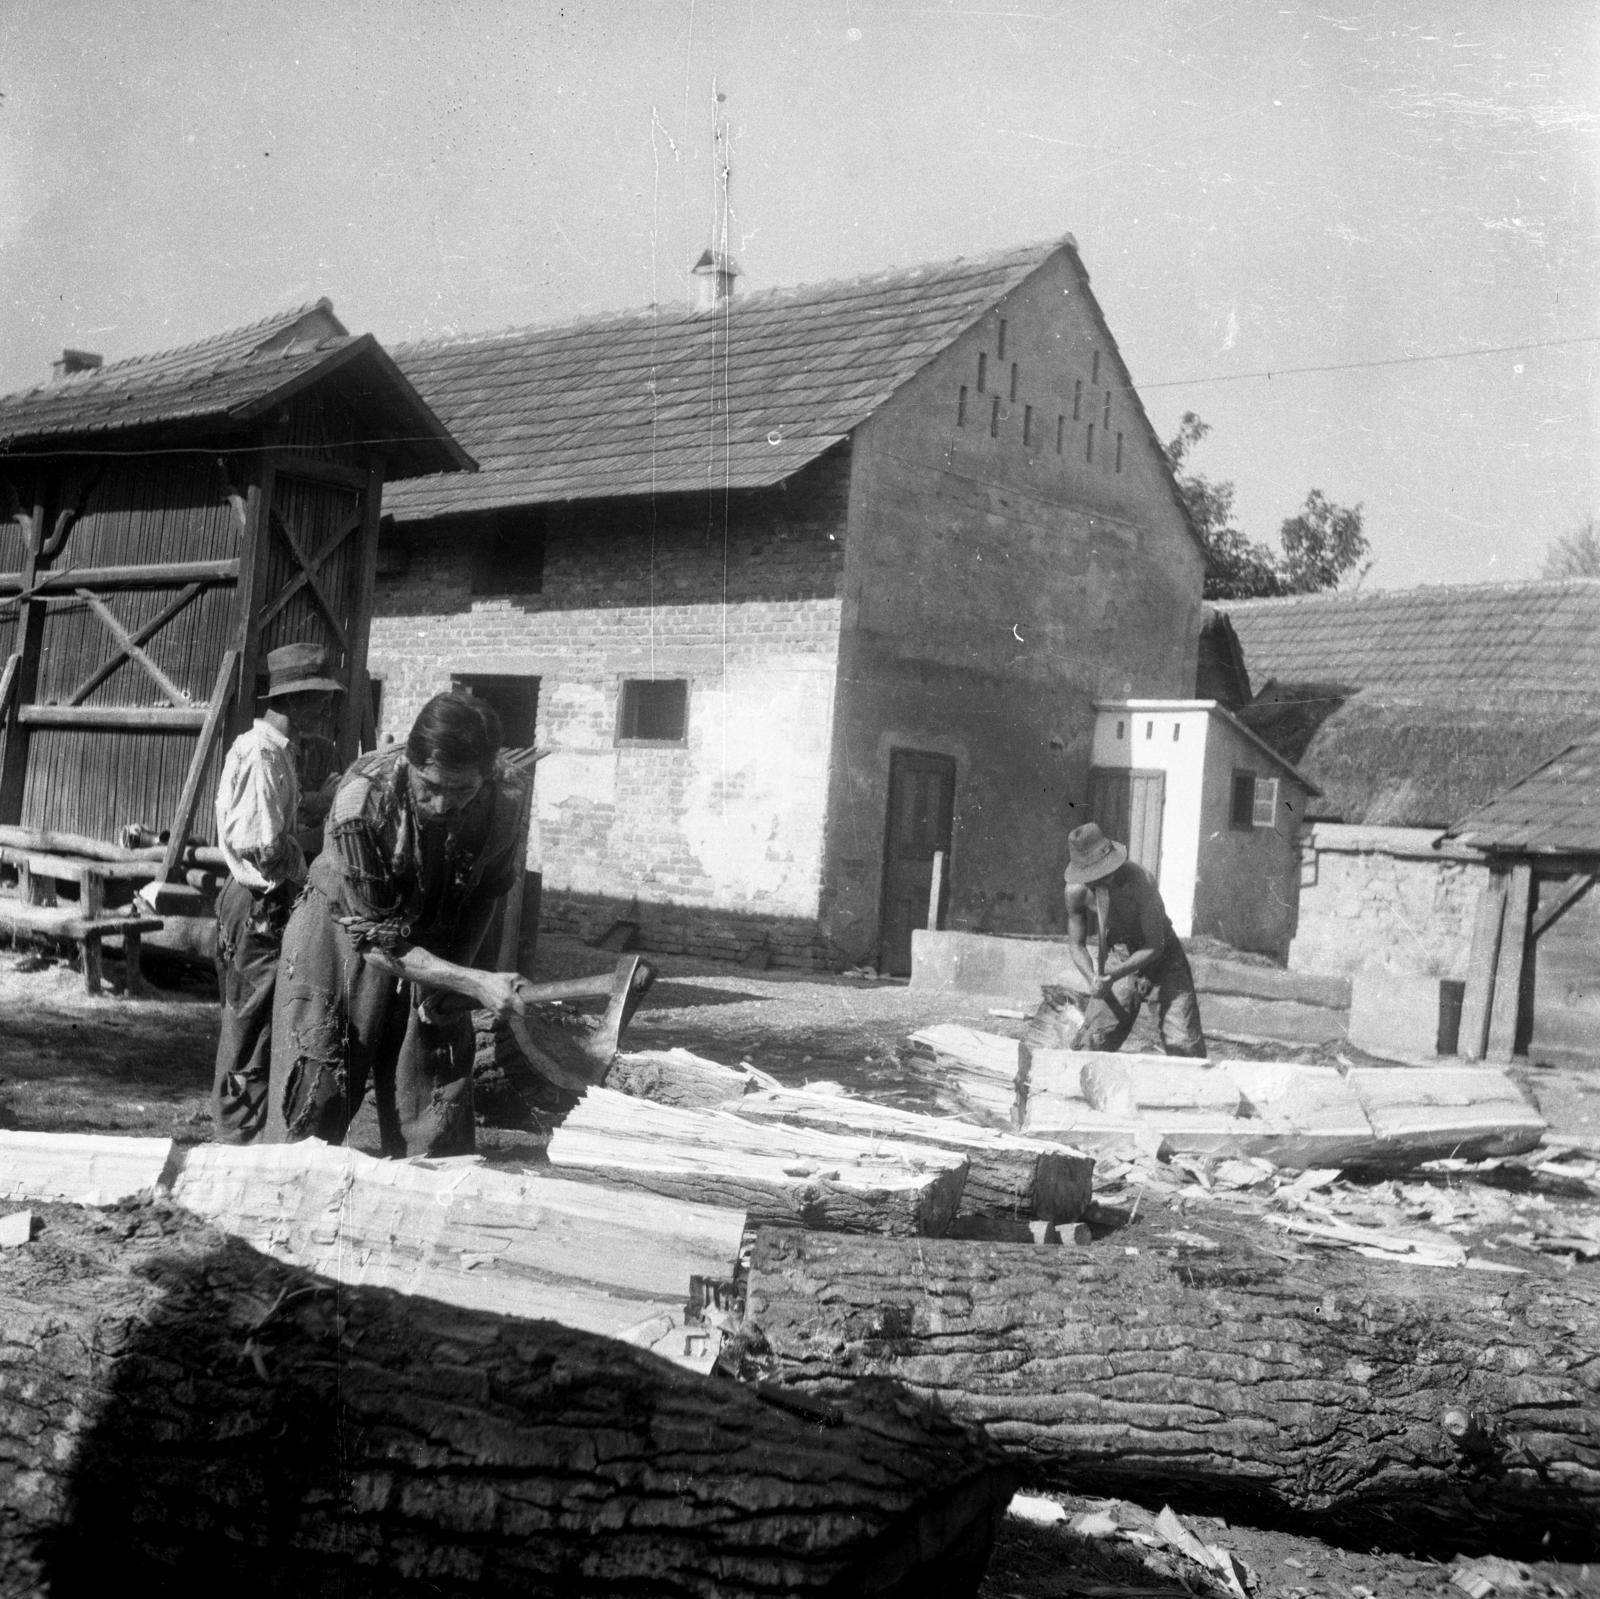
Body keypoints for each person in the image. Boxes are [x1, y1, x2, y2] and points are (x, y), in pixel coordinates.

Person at [263, 690, 535, 1157]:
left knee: (436, 1103)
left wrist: (451, 980)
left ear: (486, 776)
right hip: (342, 932)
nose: (442, 806)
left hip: (434, 931)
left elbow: (488, 892)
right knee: (315, 1091)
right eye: (430, 787)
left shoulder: (506, 797)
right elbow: (373, 942)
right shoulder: (361, 804)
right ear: (410, 764)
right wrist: (473, 980)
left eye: (462, 791)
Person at [211, 640, 344, 1143]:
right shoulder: (263, 753)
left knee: (261, 1021)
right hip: (258, 904)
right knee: (247, 1024)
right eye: (319, 697)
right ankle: (233, 1138)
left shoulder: (276, 753)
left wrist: (315, 800)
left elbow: (273, 816)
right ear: (294, 700)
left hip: (264, 903)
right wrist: (321, 850)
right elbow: (264, 846)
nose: (327, 707)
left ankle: (245, 1131)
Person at [1060, 821, 1207, 1057]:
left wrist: (1113, 976)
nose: (1099, 881)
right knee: (1093, 1042)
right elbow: (1076, 945)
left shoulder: (1140, 881)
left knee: (1184, 1046)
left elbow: (1154, 945)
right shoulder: (1076, 892)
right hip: (1120, 958)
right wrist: (1094, 978)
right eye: (1090, 876)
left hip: (1164, 960)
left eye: (1102, 873)